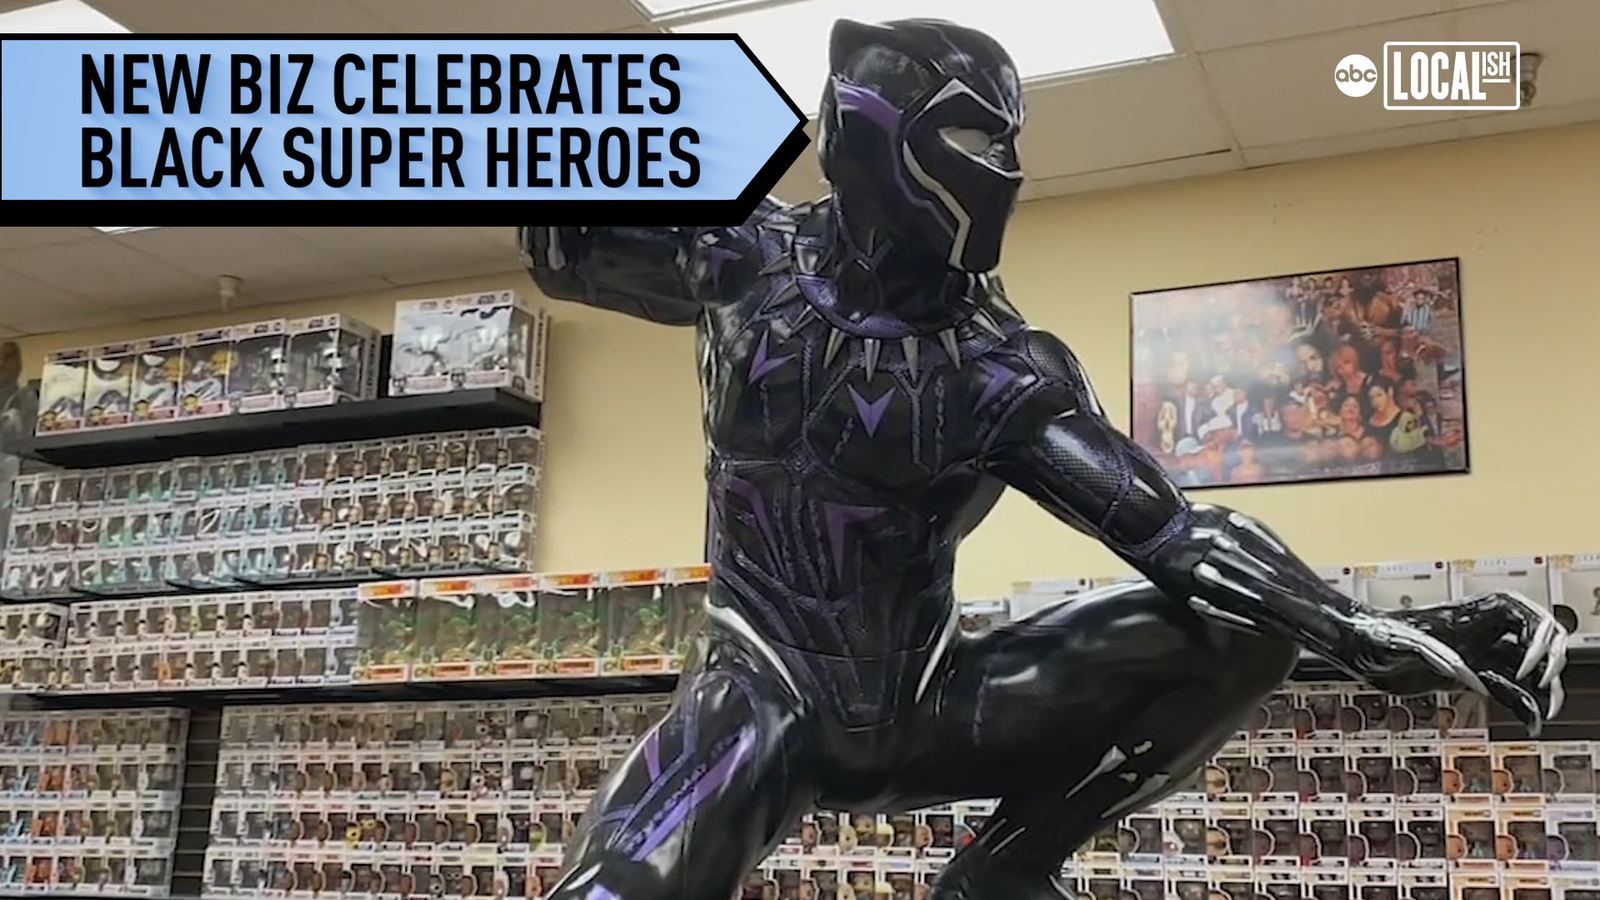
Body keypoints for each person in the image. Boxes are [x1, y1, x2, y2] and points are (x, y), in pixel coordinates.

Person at [517, 19, 1567, 900]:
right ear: (863, 133)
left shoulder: (999, 369)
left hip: (927, 705)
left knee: (1244, 636)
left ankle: (1007, 869)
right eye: (970, 135)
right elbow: (563, 246)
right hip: (760, 693)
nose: (1002, 168)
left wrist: (1370, 629)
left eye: (1006, 138)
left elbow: (1177, 534)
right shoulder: (740, 257)